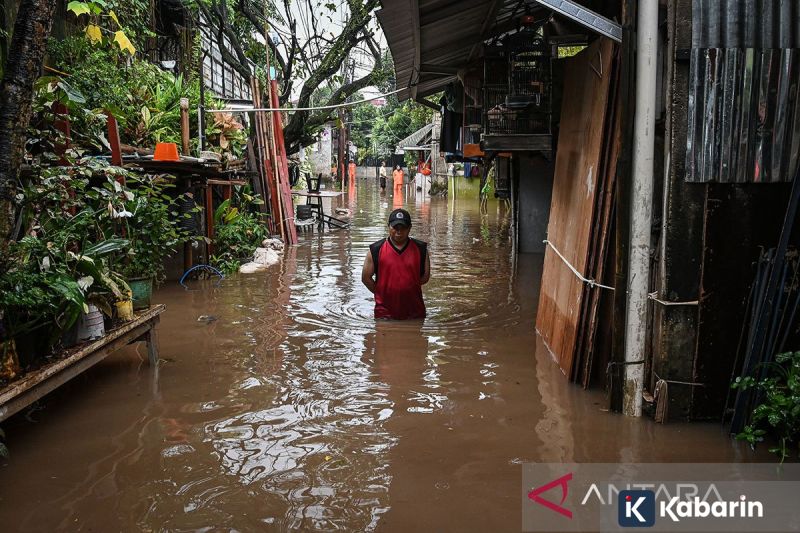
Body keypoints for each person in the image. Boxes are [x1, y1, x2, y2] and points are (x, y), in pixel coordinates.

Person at [362, 208, 430, 320]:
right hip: (384, 314)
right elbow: (366, 278)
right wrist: (382, 293)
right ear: (388, 226)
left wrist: (407, 287)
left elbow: (425, 277)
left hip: (415, 313)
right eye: (395, 227)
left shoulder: (421, 249)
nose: (399, 231)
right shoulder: (376, 250)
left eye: (403, 228)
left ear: (410, 228)